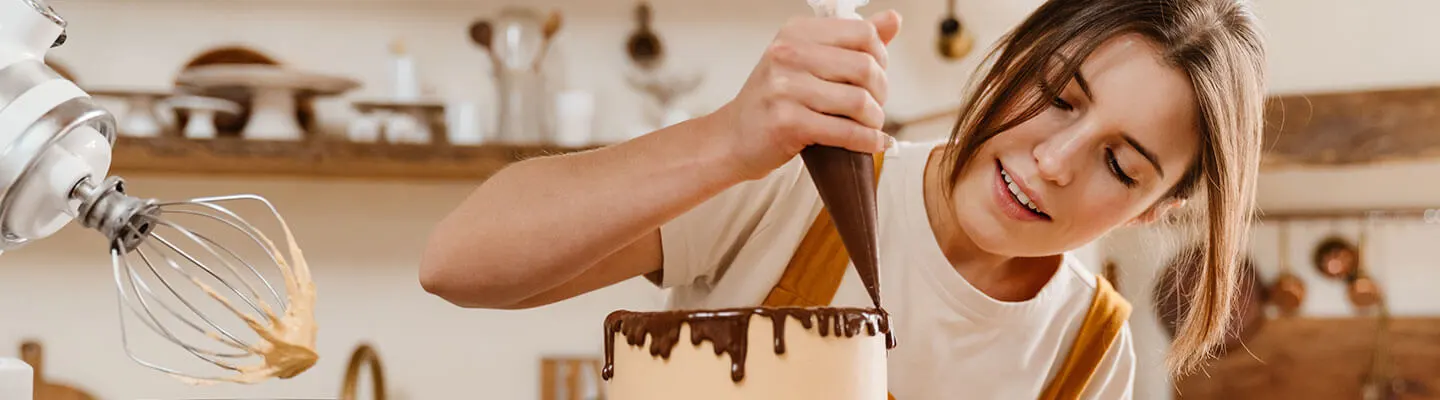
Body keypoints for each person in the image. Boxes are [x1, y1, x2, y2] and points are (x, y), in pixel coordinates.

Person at [420, 0, 1267, 398]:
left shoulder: (1088, 353)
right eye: (1059, 93)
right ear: (1011, 62)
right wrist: (726, 140)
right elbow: (459, 265)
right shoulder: (792, 182)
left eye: (1121, 167)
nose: (1052, 160)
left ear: (1156, 209)